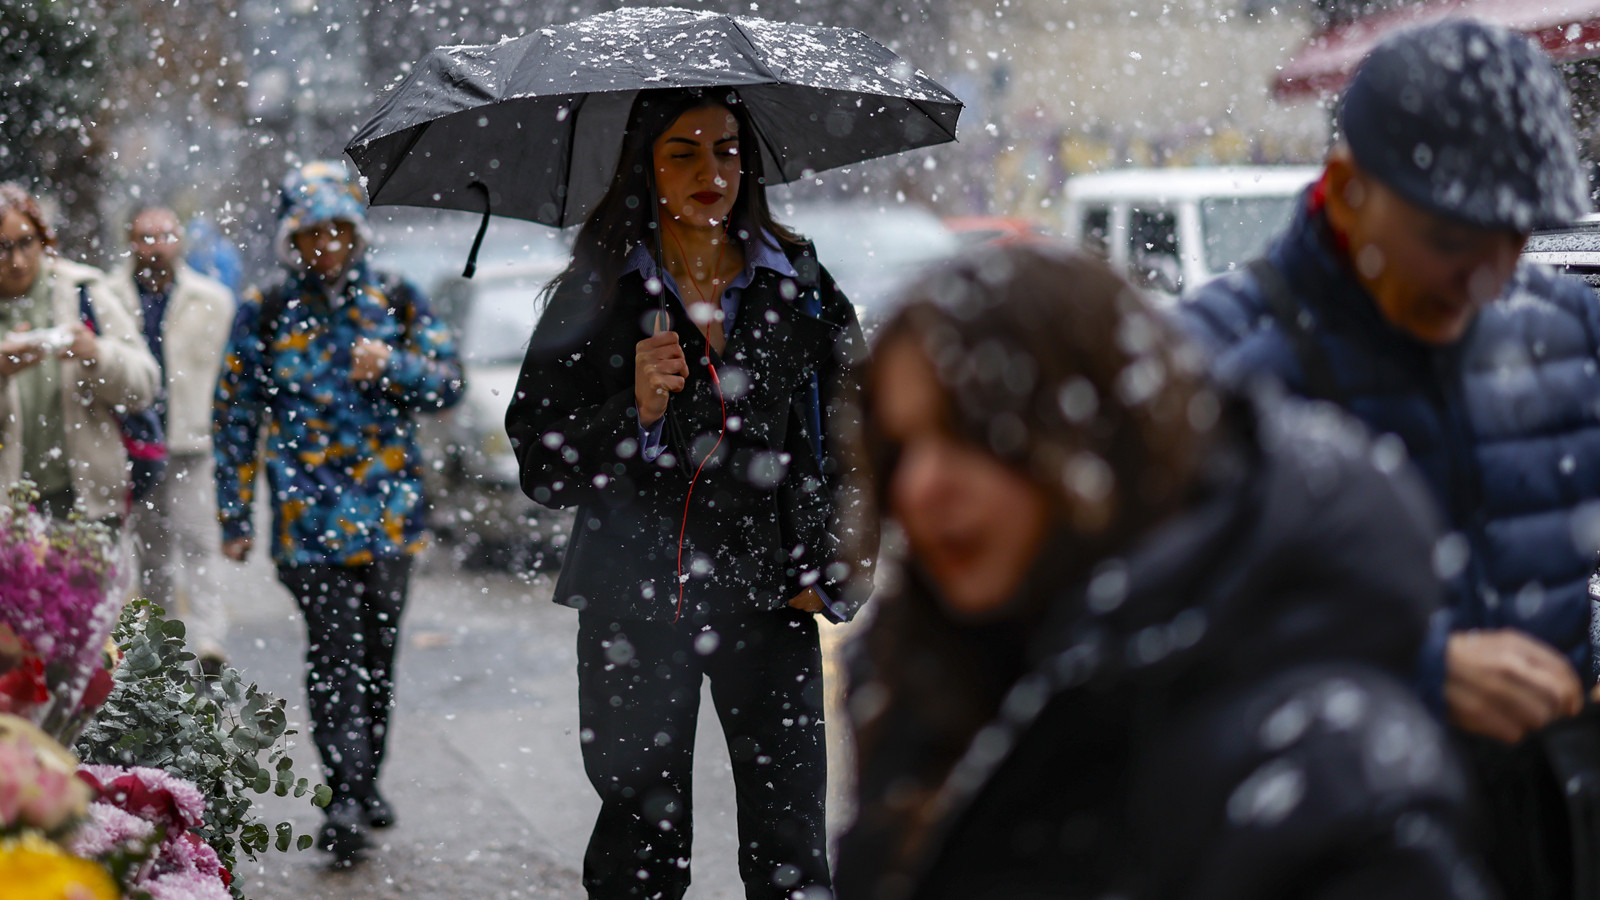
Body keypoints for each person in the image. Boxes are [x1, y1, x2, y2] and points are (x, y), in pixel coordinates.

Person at [834, 244, 1495, 900]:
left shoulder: (1321, 770)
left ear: (1098, 434)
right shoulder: (924, 685)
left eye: (970, 433)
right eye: (900, 447)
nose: (921, 486)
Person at [1181, 19, 1600, 897]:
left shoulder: (1567, 332)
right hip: (1332, 837)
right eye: (1451, 240)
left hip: (1557, 823)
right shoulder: (1213, 366)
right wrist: (1418, 672)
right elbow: (1160, 644)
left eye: (1515, 238)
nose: (1488, 277)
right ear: (1344, 188)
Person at [505, 88, 869, 900]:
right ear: (646, 168)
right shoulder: (599, 294)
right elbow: (542, 462)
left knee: (791, 850)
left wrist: (841, 565)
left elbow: (863, 434)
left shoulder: (797, 284)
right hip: (632, 606)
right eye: (684, 152)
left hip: (770, 602)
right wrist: (628, 412)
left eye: (727, 149)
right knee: (640, 850)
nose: (712, 170)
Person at [212, 160, 464, 864]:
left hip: (389, 519)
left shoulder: (398, 299)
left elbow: (449, 385)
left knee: (377, 660)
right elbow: (234, 415)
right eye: (312, 233)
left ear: (357, 234)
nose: (325, 246)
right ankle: (346, 797)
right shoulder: (265, 310)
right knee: (334, 658)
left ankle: (365, 777)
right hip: (308, 524)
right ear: (293, 236)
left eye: (338, 231)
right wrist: (233, 517)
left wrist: (394, 368)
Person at [114, 205, 235, 675]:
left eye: (163, 236)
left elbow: (229, 373)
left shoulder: (212, 300)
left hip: (191, 439)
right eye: (145, 237)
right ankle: (166, 644)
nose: (154, 246)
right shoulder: (110, 296)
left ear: (179, 241)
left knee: (200, 540)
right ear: (131, 241)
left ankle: (208, 640)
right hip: (138, 443)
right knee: (153, 551)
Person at [0, 182, 160, 526]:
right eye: (3, 248)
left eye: (27, 242)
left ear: (43, 238)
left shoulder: (82, 291)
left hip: (86, 505)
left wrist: (97, 356)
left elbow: (144, 385)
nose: (17, 261)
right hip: (7, 514)